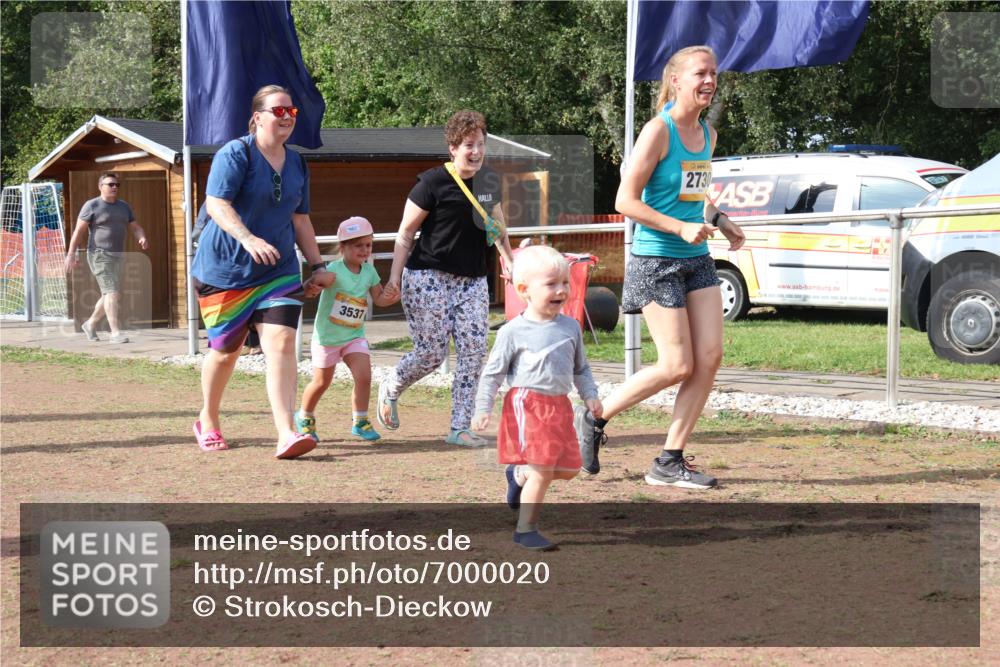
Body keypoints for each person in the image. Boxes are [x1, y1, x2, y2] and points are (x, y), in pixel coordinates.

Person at [577, 45, 745, 489]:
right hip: (656, 260)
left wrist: (721, 221)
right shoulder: (658, 131)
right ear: (675, 80)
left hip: (696, 260)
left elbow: (695, 196)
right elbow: (624, 200)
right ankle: (595, 417)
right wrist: (677, 227)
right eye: (700, 73)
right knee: (676, 365)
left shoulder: (707, 134)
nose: (709, 80)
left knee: (709, 358)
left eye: (714, 73)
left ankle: (669, 460)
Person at [190, 84, 334, 458]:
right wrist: (247, 238)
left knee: (283, 343)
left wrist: (317, 265)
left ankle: (287, 432)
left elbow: (300, 219)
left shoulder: (298, 163)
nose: (287, 117)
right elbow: (217, 204)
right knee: (226, 352)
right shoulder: (236, 154)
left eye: (291, 112)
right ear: (257, 117)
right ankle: (207, 417)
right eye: (278, 111)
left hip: (278, 268)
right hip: (226, 270)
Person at [377, 110, 515, 447]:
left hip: (471, 281)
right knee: (431, 353)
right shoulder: (432, 183)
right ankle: (392, 384)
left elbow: (497, 227)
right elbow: (405, 234)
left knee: (473, 351)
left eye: (481, 144)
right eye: (469, 145)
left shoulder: (488, 183)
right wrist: (394, 278)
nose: (477, 152)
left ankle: (459, 428)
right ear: (453, 147)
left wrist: (509, 261)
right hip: (428, 275)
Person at [473, 245, 602, 550]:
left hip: (560, 406)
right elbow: (492, 373)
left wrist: (590, 396)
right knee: (543, 469)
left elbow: (581, 368)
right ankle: (525, 530)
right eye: (551, 284)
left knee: (569, 469)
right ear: (524, 290)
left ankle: (519, 475)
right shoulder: (512, 332)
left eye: (565, 283)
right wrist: (483, 407)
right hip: (527, 405)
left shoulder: (571, 327)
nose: (561, 290)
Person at [294, 216, 400, 443]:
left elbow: (379, 299)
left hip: (354, 336)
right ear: (343, 247)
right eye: (358, 245)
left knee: (364, 376)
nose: (364, 250)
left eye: (368, 245)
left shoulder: (370, 272)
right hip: (327, 338)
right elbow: (311, 289)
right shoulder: (332, 270)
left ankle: (360, 421)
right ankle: (304, 416)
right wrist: (313, 286)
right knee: (322, 382)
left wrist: (391, 298)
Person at [64, 172, 148, 344]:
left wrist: (142, 236)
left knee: (110, 294)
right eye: (110, 184)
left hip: (117, 255)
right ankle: (115, 332)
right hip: (98, 254)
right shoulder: (92, 205)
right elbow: (79, 231)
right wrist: (71, 254)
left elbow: (135, 226)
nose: (114, 187)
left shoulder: (124, 206)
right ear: (100, 186)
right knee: (112, 292)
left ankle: (90, 324)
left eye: (117, 185)